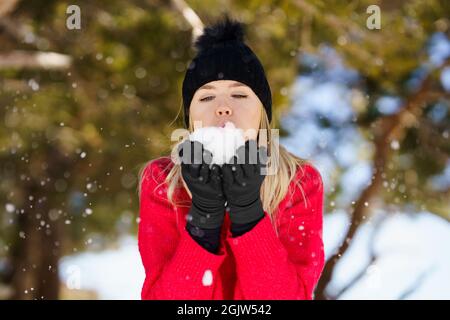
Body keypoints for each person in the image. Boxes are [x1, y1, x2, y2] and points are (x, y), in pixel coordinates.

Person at [137, 14, 325, 300]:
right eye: (207, 97)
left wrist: (248, 214)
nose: (223, 108)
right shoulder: (163, 183)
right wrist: (203, 219)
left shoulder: (299, 182)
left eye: (239, 95)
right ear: (190, 118)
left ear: (262, 111)